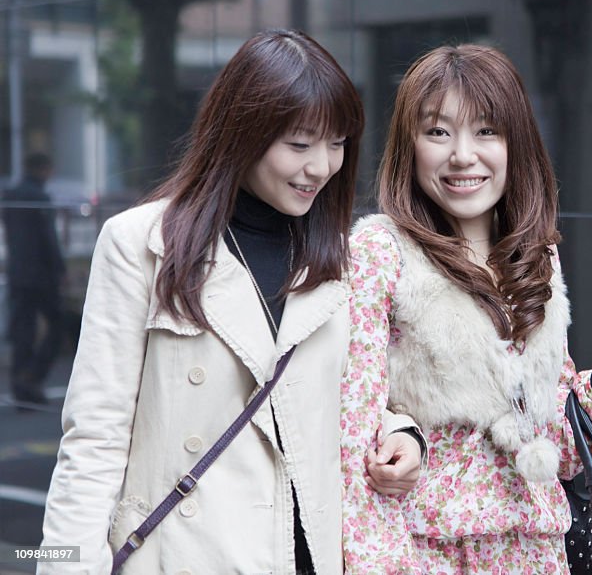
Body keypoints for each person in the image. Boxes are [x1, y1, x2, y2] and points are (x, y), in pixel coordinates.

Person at [40, 29, 422, 575]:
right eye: (299, 144)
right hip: (184, 555)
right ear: (242, 132)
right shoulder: (142, 245)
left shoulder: (343, 260)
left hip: (305, 555)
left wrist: (402, 434)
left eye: (337, 144)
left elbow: (347, 395)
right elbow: (95, 438)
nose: (322, 166)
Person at [344, 44, 592, 573]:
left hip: (533, 554)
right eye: (438, 132)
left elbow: (567, 450)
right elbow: (351, 428)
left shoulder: (534, 257)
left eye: (486, 131)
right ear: (408, 146)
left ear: (515, 143)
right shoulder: (380, 253)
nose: (463, 155)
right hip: (424, 553)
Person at [3, 152, 66, 406]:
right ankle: (32, 377)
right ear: (45, 169)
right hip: (41, 274)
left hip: (18, 272)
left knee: (23, 330)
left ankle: (21, 386)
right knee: (57, 326)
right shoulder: (39, 197)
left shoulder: (11, 195)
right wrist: (60, 269)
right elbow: (48, 239)